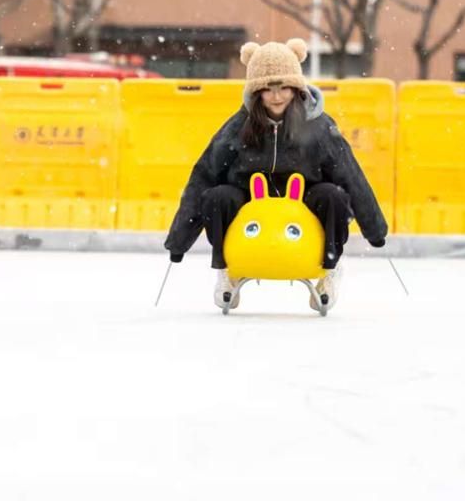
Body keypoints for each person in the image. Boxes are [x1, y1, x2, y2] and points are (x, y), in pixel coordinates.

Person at [164, 38, 387, 309]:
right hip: (251, 205)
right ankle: (228, 271)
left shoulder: (318, 127)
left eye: (283, 87)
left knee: (334, 196)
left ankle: (329, 269)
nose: (277, 96)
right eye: (267, 89)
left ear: (296, 87)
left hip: (304, 205)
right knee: (217, 196)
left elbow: (350, 175)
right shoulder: (238, 127)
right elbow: (204, 175)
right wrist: (179, 241)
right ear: (256, 93)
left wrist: (374, 230)